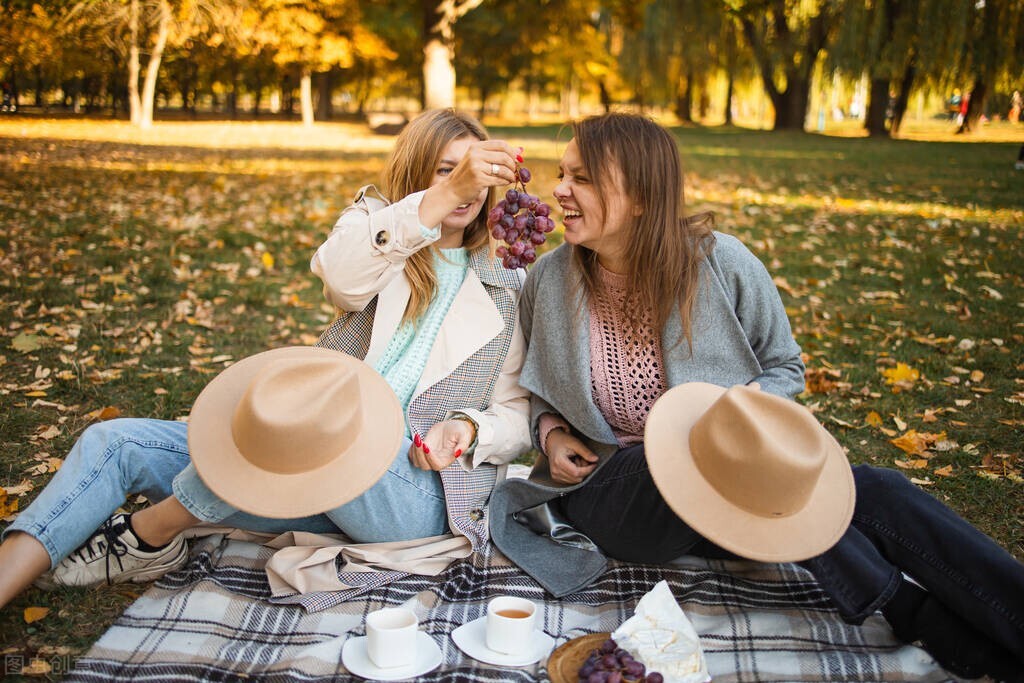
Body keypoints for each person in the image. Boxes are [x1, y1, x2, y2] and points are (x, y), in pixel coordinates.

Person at [489, 113, 1024, 681]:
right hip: (617, 489)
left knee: (879, 491)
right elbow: (534, 383)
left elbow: (785, 366)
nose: (560, 190)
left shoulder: (721, 264)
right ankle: (910, 611)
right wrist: (551, 433)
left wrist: (739, 418)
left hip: (729, 485)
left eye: (584, 177)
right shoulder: (548, 280)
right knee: (683, 454)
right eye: (562, 173)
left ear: (642, 197)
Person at [0, 108, 531, 608]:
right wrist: (436, 204)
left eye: (471, 173)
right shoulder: (377, 225)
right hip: (308, 463)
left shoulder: (509, 281)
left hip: (412, 489)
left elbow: (516, 415)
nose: (465, 187)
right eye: (447, 170)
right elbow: (343, 281)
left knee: (317, 422)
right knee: (114, 442)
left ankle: (149, 534)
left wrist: (468, 426)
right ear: (418, 173)